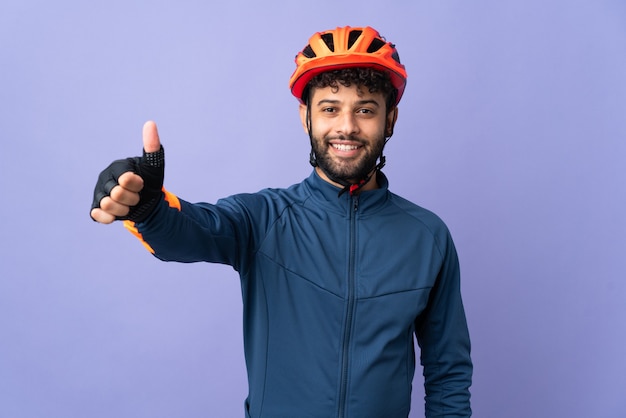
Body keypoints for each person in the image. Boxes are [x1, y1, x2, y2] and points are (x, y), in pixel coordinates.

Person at [90, 26, 472, 418]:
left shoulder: (428, 237)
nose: (347, 127)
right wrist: (147, 206)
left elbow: (448, 370)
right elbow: (187, 233)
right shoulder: (263, 219)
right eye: (330, 108)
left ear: (389, 119)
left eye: (365, 109)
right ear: (306, 117)